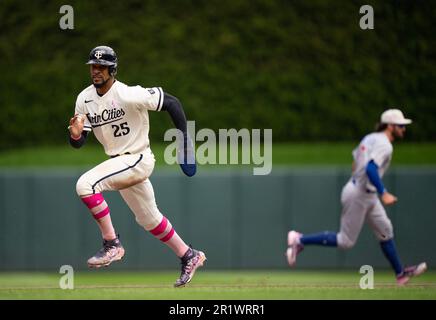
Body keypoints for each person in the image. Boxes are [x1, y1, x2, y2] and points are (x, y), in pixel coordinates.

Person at [68, 45, 206, 287]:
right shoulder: (84, 99)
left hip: (138, 158)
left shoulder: (129, 94)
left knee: (85, 185)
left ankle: (112, 244)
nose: (96, 71)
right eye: (93, 66)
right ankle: (188, 255)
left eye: (102, 67)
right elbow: (79, 142)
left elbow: (172, 102)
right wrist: (77, 135)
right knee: (148, 219)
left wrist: (184, 141)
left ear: (112, 69)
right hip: (119, 163)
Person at [286, 109, 427, 286]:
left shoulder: (370, 138)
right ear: (390, 126)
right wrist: (383, 192)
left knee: (386, 231)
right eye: (400, 125)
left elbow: (355, 163)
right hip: (360, 193)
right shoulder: (385, 145)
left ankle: (400, 274)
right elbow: (370, 168)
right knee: (345, 241)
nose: (403, 129)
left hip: (366, 193)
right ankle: (299, 240)